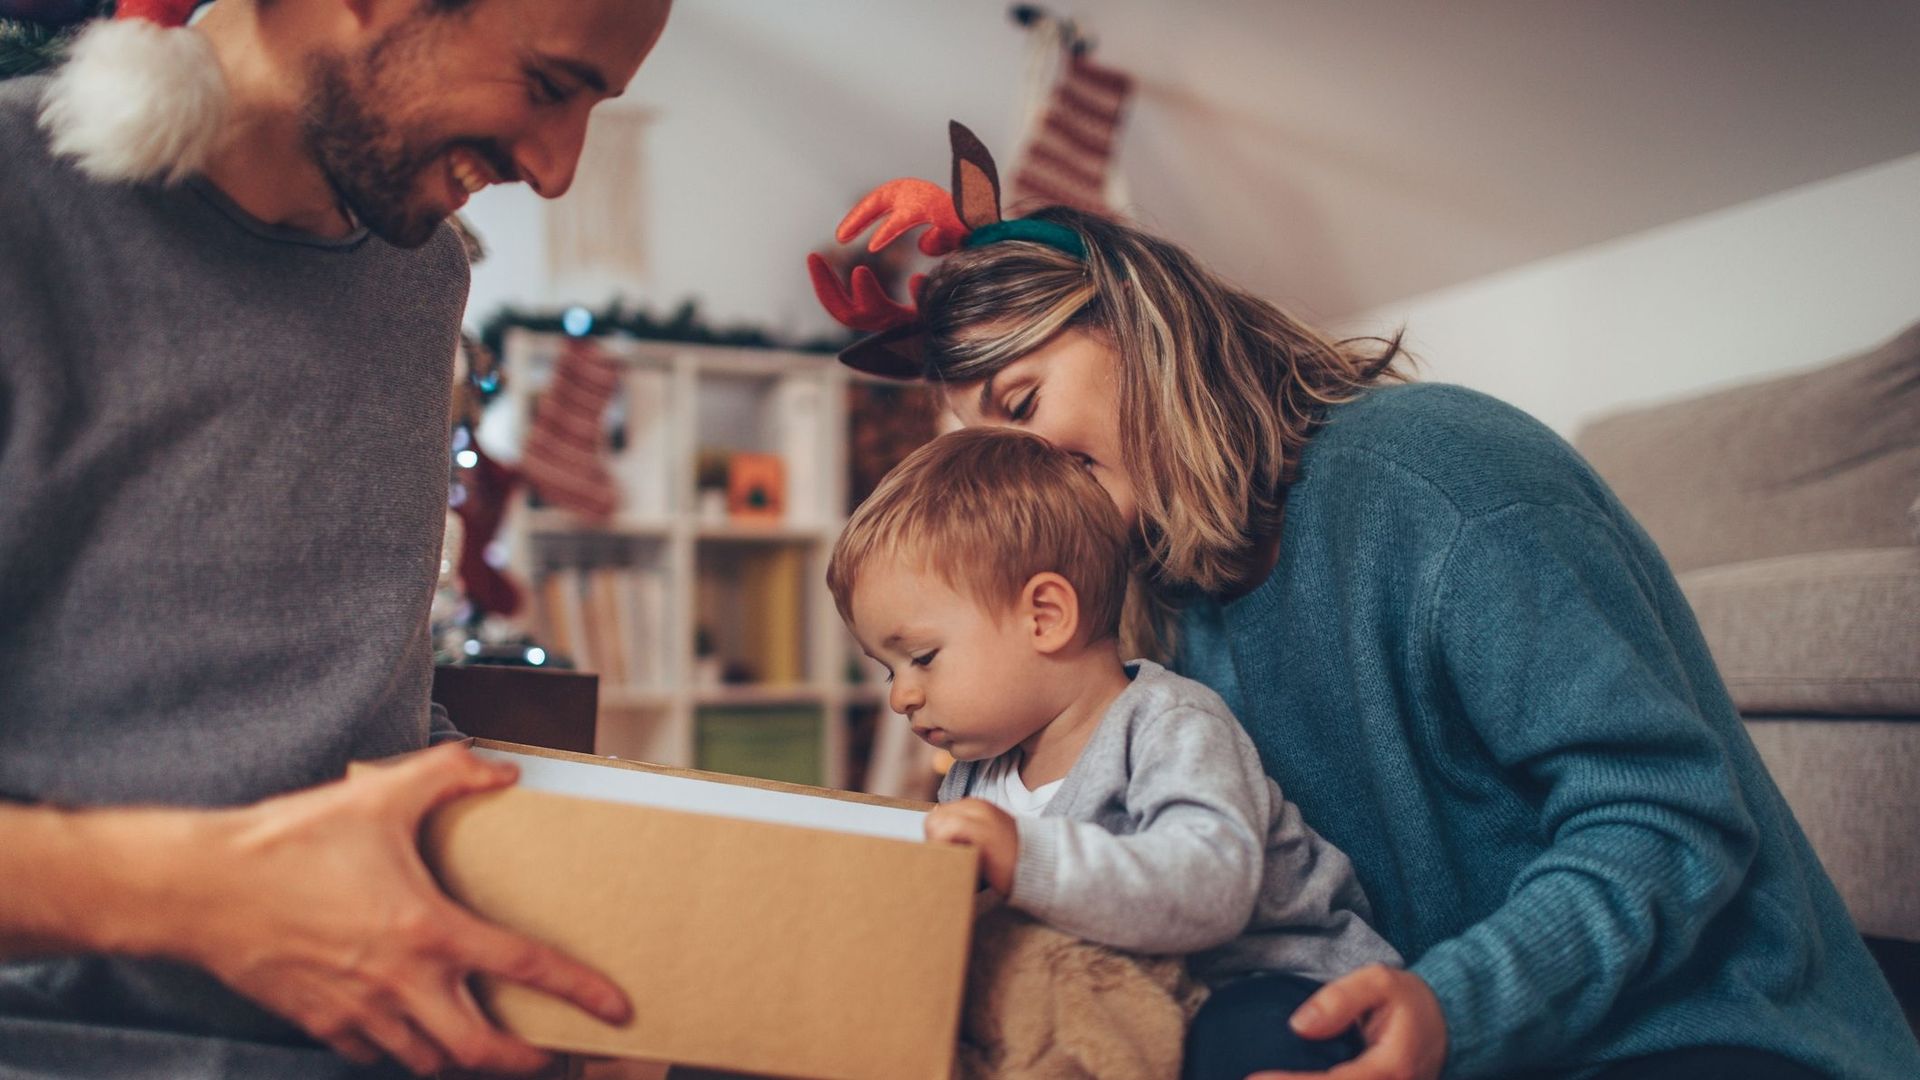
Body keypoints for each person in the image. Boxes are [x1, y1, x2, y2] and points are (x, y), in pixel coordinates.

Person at [809, 126, 1920, 1078]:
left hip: (1685, 1028)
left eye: (1023, 401)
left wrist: (1457, 1009)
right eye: (980, 448)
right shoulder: (1149, 589)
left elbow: (1667, 816)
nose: (1020, 472)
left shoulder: (1439, 475)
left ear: (1139, 325)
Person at [0, 0, 669, 1076]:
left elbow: (355, 716)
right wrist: (209, 899)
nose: (557, 171)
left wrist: (553, 956)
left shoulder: (422, 276)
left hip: (386, 1027)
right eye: (549, 86)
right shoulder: (20, 210)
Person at [826, 425, 1404, 1078]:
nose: (901, 696)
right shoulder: (972, 780)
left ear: (1045, 616)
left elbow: (1212, 887)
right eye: (887, 669)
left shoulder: (1169, 723)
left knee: (1246, 1040)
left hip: (1268, 981)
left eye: (922, 657)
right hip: (1112, 1005)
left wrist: (1026, 857)